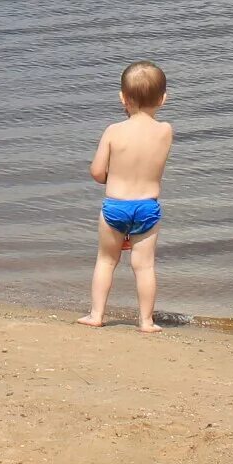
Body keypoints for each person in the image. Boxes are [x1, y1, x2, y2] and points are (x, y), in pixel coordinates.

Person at [78, 60, 174, 331]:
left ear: (122, 98)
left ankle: (97, 314)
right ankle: (146, 321)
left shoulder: (113, 131)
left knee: (106, 260)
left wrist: (113, 178)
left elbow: (97, 172)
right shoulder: (165, 131)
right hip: (147, 207)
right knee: (144, 267)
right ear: (163, 99)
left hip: (115, 207)